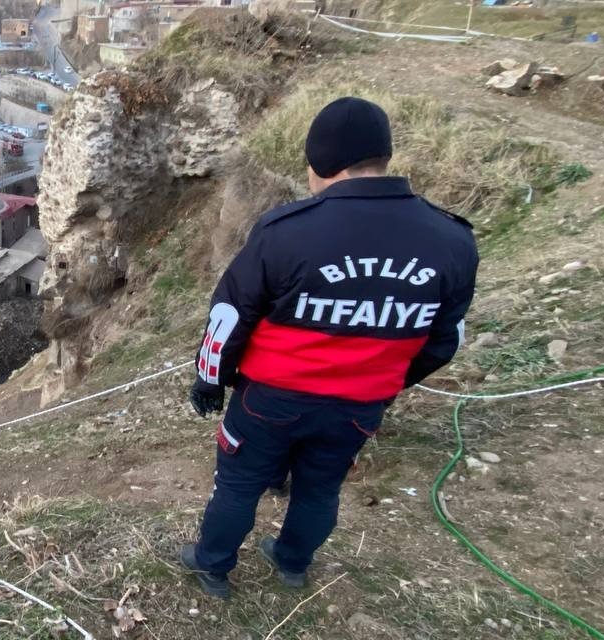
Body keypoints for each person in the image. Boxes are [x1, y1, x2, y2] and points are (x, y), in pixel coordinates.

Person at [181, 97, 479, 599]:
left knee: (239, 483)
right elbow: (444, 339)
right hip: (358, 406)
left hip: (271, 398)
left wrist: (210, 378)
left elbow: (229, 317)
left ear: (321, 161)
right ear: (384, 156)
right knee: (320, 488)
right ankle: (293, 563)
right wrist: (386, 383)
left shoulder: (288, 231)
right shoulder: (452, 240)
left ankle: (212, 567)